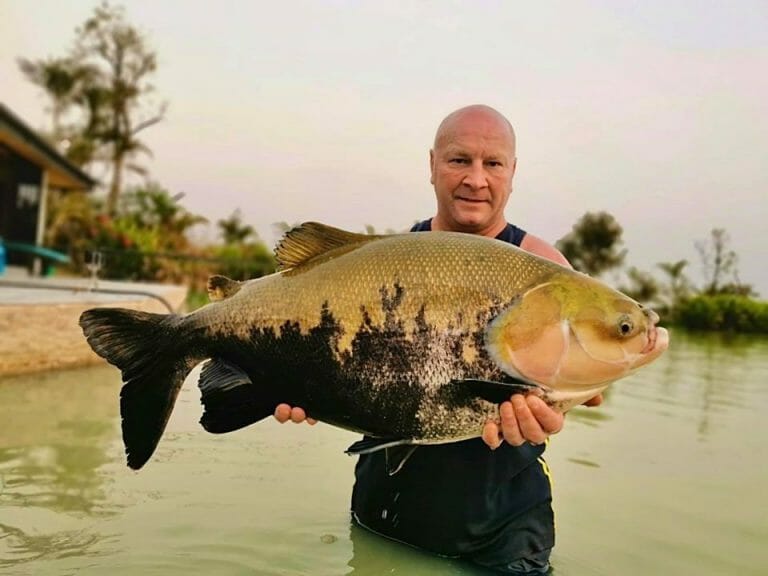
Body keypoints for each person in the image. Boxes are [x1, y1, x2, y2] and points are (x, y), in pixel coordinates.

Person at [275, 104, 602, 574]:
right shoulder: (387, 259)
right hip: (381, 511)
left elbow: (593, 381)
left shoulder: (543, 267)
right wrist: (296, 384)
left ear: (513, 172)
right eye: (459, 160)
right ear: (431, 165)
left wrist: (553, 407)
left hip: (499, 532)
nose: (476, 179)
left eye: (493, 163)